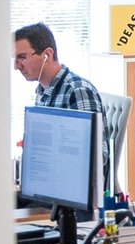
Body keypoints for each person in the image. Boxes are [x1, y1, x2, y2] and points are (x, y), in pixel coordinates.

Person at [14, 21, 110, 189]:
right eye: (15, 59)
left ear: (47, 55)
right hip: (48, 183)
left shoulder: (77, 91)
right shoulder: (42, 92)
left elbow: (94, 160)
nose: (17, 66)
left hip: (69, 192)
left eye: (22, 57)